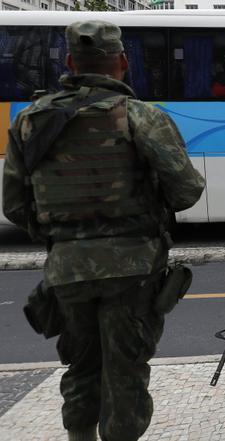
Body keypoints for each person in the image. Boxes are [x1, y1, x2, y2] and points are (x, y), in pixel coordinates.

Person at [2, 20, 205, 441]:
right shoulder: (141, 117)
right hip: (132, 269)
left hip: (66, 271)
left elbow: (15, 206)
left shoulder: (30, 121)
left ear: (71, 61)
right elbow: (187, 189)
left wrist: (63, 239)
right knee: (125, 369)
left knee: (81, 363)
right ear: (124, 63)